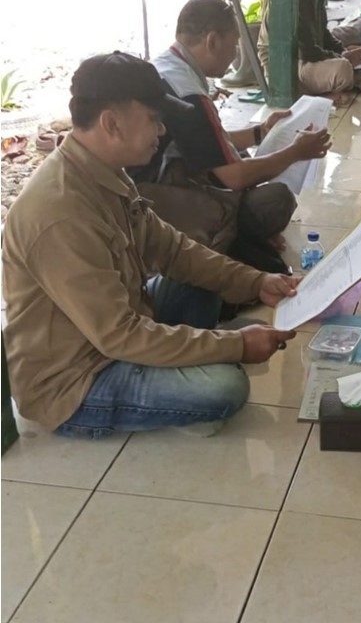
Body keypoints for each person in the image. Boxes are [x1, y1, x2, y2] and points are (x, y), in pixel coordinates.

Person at [1, 52, 299, 439]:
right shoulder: (60, 213)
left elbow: (174, 250)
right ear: (112, 123)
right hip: (77, 378)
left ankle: (183, 364)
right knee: (225, 388)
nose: (161, 131)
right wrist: (234, 347)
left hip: (114, 329)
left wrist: (257, 281)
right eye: (154, 120)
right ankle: (183, 382)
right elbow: (119, 335)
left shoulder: (105, 173)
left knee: (200, 275)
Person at [129, 0, 333, 272]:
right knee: (275, 200)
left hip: (147, 190)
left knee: (243, 161)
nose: (236, 53)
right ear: (212, 41)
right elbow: (234, 177)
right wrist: (296, 152)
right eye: (234, 43)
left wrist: (260, 132)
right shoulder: (189, 94)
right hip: (155, 203)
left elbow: (207, 142)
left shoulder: (166, 66)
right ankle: (236, 238)